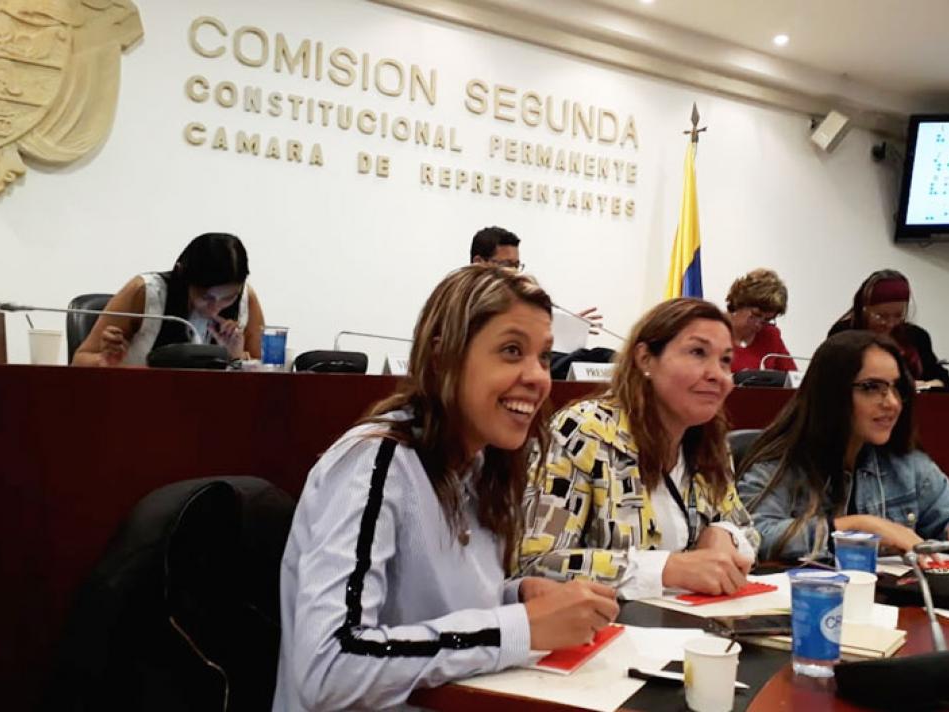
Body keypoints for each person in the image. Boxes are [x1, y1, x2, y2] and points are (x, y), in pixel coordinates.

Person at [274, 265, 619, 711]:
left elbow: (426, 612)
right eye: (512, 351)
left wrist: (515, 597)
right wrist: (519, 627)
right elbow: (328, 667)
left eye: (543, 356)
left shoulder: (481, 465)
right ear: (442, 357)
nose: (538, 376)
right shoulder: (375, 462)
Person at [519, 298, 760, 600]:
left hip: (690, 621)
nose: (718, 374)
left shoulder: (711, 443)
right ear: (645, 359)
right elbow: (537, 563)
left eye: (725, 360)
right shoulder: (583, 431)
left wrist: (727, 534)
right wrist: (665, 569)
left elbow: (749, 531)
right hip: (605, 624)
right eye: (698, 352)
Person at [736, 330, 949, 563]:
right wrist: (856, 527)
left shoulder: (905, 463)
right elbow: (751, 536)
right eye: (872, 387)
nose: (892, 403)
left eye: (897, 388)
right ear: (831, 392)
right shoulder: (780, 461)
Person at [71, 233, 265, 366]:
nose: (215, 308)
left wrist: (236, 358)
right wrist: (104, 362)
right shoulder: (144, 292)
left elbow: (263, 371)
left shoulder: (246, 299)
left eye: (228, 298)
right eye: (206, 297)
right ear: (184, 277)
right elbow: (79, 359)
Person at [828, 269, 949, 388]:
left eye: (898, 315)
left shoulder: (916, 336)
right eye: (881, 316)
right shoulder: (844, 334)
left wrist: (930, 384)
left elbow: (941, 378)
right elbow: (830, 380)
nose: (890, 324)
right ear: (865, 309)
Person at [470, 225, 603, 333]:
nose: (514, 272)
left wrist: (567, 328)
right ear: (479, 262)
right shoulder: (465, 302)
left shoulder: (516, 298)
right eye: (506, 264)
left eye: (516, 266)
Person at [726, 268, 795, 372]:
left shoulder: (770, 335)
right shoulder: (715, 330)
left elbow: (793, 377)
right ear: (740, 303)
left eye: (767, 320)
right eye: (756, 315)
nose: (759, 324)